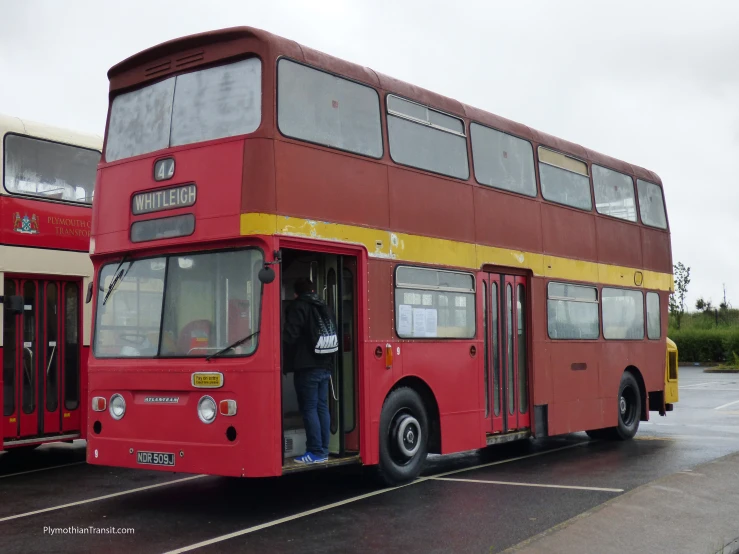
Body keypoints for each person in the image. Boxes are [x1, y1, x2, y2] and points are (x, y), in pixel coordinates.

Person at [282, 277, 336, 464]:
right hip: (325, 364)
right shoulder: (325, 306)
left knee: (309, 408)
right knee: (322, 407)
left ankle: (314, 451)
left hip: (307, 367)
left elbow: (290, 337)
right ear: (313, 290)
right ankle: (323, 451)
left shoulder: (299, 307)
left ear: (296, 293)